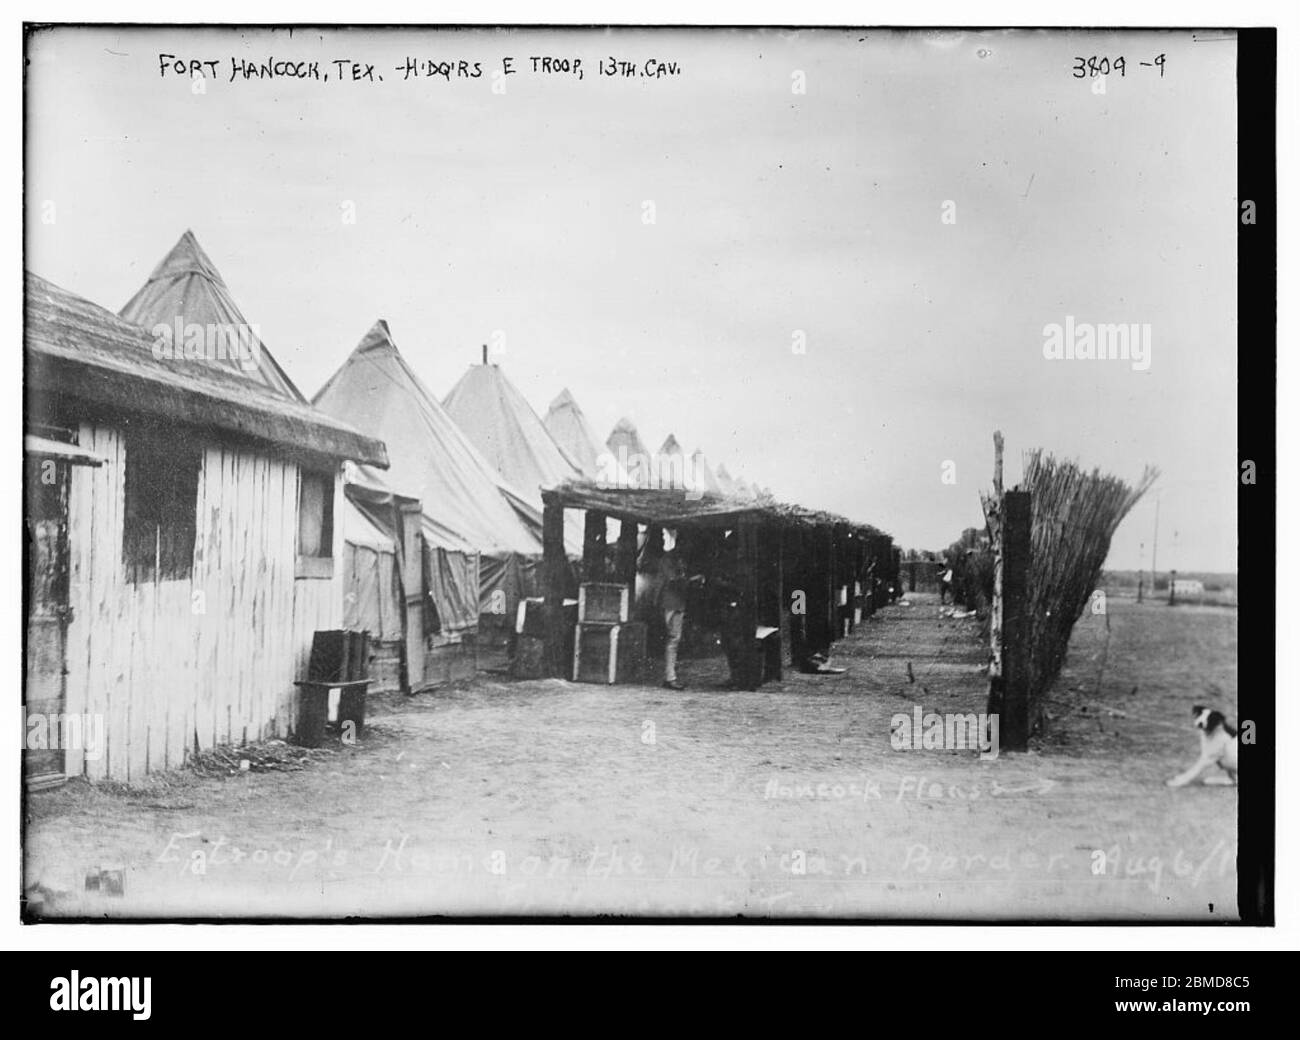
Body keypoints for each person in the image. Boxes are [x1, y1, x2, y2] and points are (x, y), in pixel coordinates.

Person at [657, 549, 702, 690]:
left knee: (674, 640)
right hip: (670, 603)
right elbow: (672, 580)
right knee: (672, 640)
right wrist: (693, 579)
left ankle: (670, 676)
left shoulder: (676, 558)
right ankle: (670, 678)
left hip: (677, 603)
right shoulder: (669, 559)